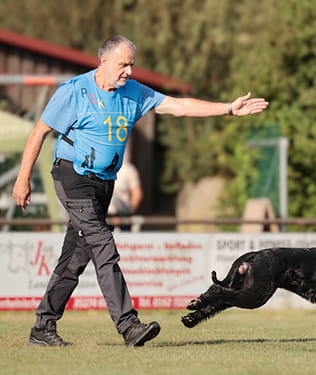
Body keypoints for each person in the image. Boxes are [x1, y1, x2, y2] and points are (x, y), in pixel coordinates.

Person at [12, 35, 268, 347]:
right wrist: (22, 179)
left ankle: (42, 328)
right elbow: (39, 132)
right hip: (73, 176)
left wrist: (228, 108)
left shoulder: (133, 93)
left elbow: (180, 106)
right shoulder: (74, 92)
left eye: (132, 64)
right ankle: (129, 325)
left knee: (75, 259)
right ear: (103, 61)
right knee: (103, 246)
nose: (129, 71)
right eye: (123, 64)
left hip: (104, 182)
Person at [108, 161, 143, 231]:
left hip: (122, 217)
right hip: (102, 217)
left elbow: (137, 194)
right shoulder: (96, 168)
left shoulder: (128, 169)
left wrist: (126, 215)